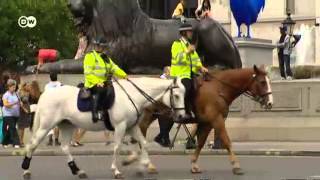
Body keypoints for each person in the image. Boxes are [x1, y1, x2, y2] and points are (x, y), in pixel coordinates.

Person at [83, 36, 128, 122]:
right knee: (101, 90)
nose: (98, 47)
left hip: (104, 82)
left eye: (100, 46)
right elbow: (88, 73)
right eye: (97, 45)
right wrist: (97, 82)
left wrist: (124, 75)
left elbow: (114, 68)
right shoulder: (90, 56)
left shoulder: (105, 58)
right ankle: (95, 113)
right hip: (92, 83)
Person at [170, 23, 208, 123]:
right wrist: (187, 51)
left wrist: (201, 68)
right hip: (179, 75)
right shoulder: (177, 44)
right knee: (187, 86)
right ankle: (184, 112)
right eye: (189, 31)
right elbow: (177, 59)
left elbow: (195, 60)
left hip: (190, 74)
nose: (191, 33)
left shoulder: (189, 46)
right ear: (184, 33)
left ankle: (197, 110)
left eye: (191, 31)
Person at [2, 79, 21, 148]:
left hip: (15, 114)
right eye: (13, 87)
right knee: (13, 128)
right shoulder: (6, 95)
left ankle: (4, 142)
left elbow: (19, 102)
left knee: (10, 128)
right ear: (9, 87)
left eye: (15, 87)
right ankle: (16, 143)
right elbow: (6, 104)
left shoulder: (16, 94)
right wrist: (15, 103)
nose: (14, 88)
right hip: (8, 114)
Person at [44, 72, 62, 146]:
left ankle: (50, 140)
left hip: (49, 106)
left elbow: (45, 96)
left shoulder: (47, 86)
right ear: (57, 77)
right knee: (57, 124)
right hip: (57, 106)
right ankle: (56, 140)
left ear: (50, 78)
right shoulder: (60, 84)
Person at [17, 82, 31, 147]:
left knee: (23, 128)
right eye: (28, 86)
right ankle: (20, 142)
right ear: (24, 86)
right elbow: (19, 103)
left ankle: (21, 141)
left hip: (26, 112)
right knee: (21, 127)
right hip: (21, 112)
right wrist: (24, 109)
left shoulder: (27, 93)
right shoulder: (20, 93)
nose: (29, 87)